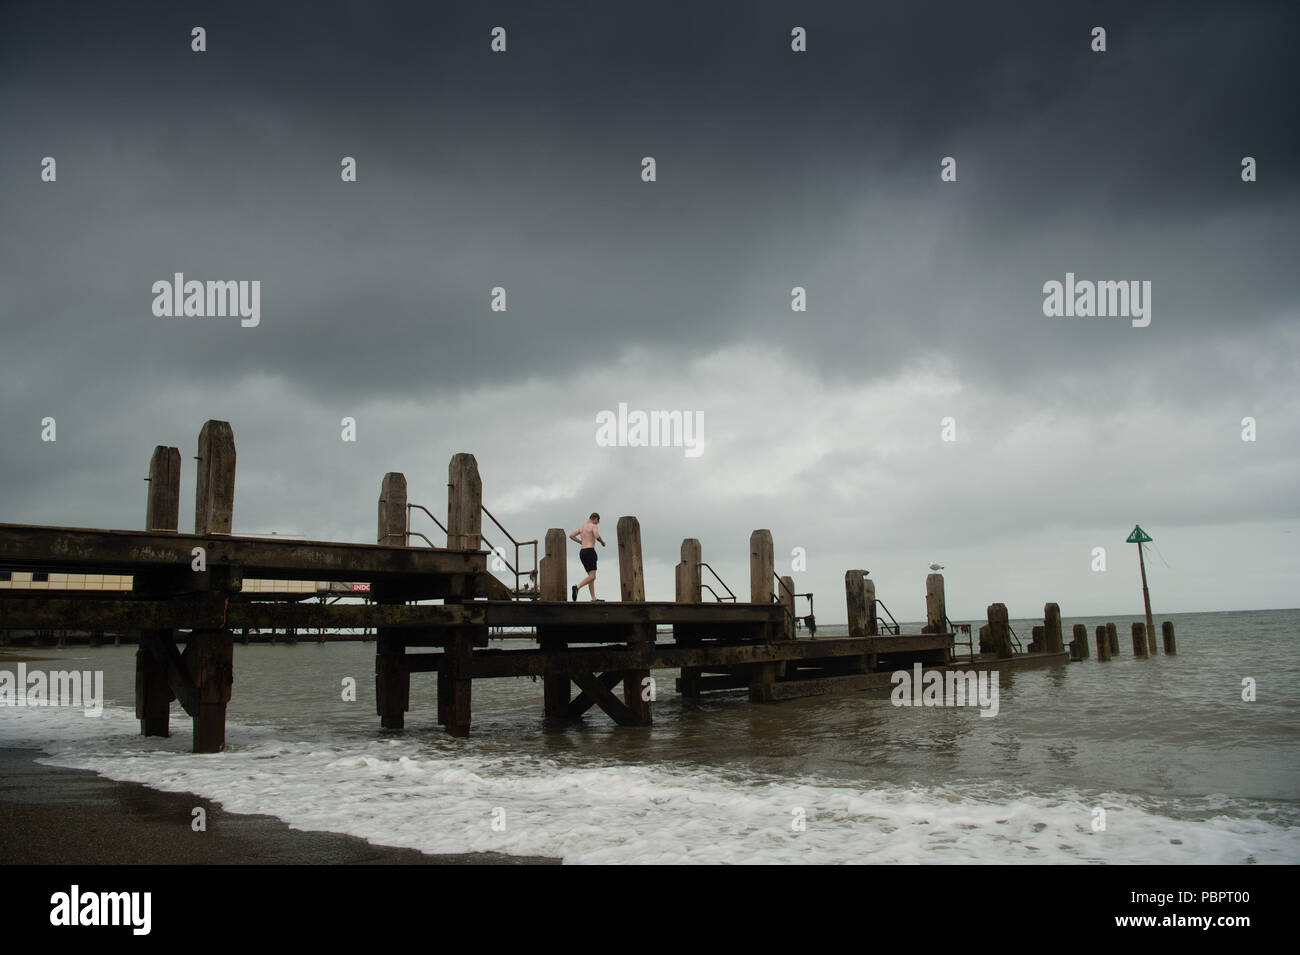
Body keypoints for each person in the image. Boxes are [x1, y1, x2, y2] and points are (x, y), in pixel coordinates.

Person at [569, 512, 606, 600]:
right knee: (592, 576)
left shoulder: (582, 527)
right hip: (590, 551)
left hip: (582, 552)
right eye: (597, 521)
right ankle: (577, 587)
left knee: (590, 577)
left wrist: (580, 542)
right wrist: (602, 542)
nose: (597, 523)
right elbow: (596, 536)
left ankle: (593, 598)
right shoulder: (593, 526)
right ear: (595, 519)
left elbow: (571, 535)